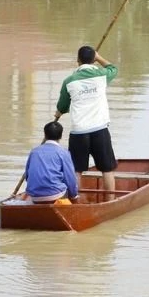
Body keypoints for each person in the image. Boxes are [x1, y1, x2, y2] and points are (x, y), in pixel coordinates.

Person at [53, 45, 118, 193]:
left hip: (79, 132)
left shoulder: (69, 81)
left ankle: (75, 201)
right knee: (107, 169)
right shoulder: (102, 76)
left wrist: (58, 113)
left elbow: (62, 106)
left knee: (77, 169)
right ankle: (110, 199)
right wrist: (99, 57)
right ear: (93, 59)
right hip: (100, 130)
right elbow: (113, 68)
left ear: (78, 60)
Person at [23, 121, 79, 204]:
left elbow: (27, 176)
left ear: (45, 135)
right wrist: (74, 196)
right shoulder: (63, 153)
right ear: (61, 136)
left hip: (35, 196)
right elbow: (70, 178)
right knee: (69, 190)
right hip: (56, 195)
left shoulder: (34, 152)